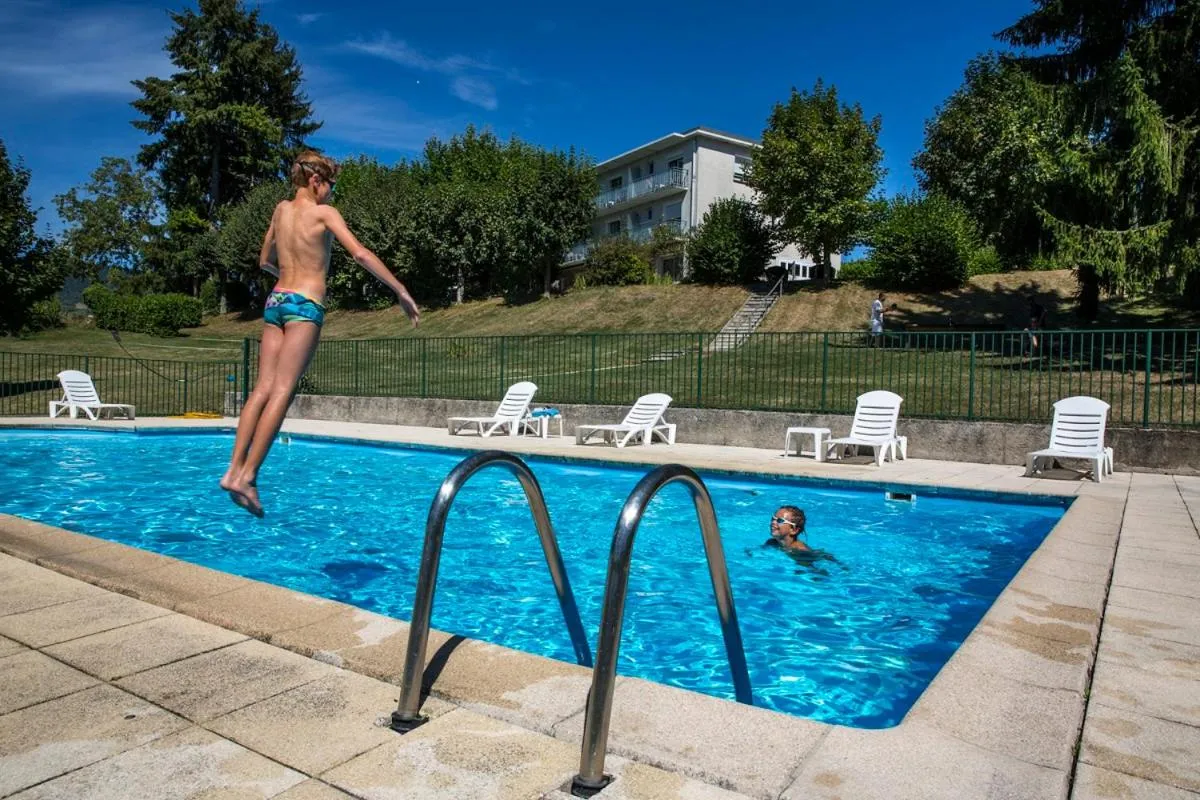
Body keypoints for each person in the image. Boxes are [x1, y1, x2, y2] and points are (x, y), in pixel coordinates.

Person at [220, 151, 420, 517]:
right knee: (283, 390)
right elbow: (360, 254)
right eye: (331, 185)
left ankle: (232, 470)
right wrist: (400, 289)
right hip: (305, 305)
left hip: (276, 300)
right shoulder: (325, 214)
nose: (331, 192)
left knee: (261, 389)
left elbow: (265, 260)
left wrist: (288, 272)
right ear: (316, 181)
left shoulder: (280, 210)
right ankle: (247, 476)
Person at [764, 505, 841, 571]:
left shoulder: (798, 552)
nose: (773, 522)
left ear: (794, 530)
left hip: (811, 555)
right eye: (773, 518)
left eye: (780, 521)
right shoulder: (771, 542)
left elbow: (817, 572)